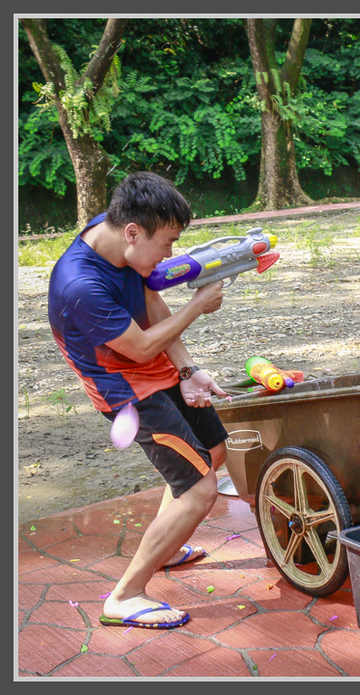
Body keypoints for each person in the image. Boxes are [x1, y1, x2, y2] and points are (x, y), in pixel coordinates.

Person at [47, 172, 228, 630]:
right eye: (168, 242)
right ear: (133, 232)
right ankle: (125, 597)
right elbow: (143, 346)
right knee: (200, 490)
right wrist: (197, 306)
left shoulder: (117, 233)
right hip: (127, 391)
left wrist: (188, 371)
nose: (170, 254)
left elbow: (150, 301)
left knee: (215, 453)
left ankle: (166, 544)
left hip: (154, 369)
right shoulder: (79, 285)